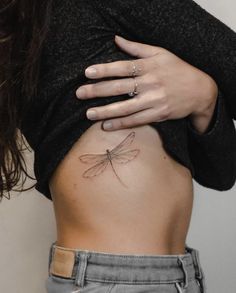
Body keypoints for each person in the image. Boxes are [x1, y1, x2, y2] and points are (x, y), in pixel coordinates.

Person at [0, 0, 236, 292]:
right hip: (117, 279)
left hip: (168, 273)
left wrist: (204, 98)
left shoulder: (37, 25)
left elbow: (221, 173)